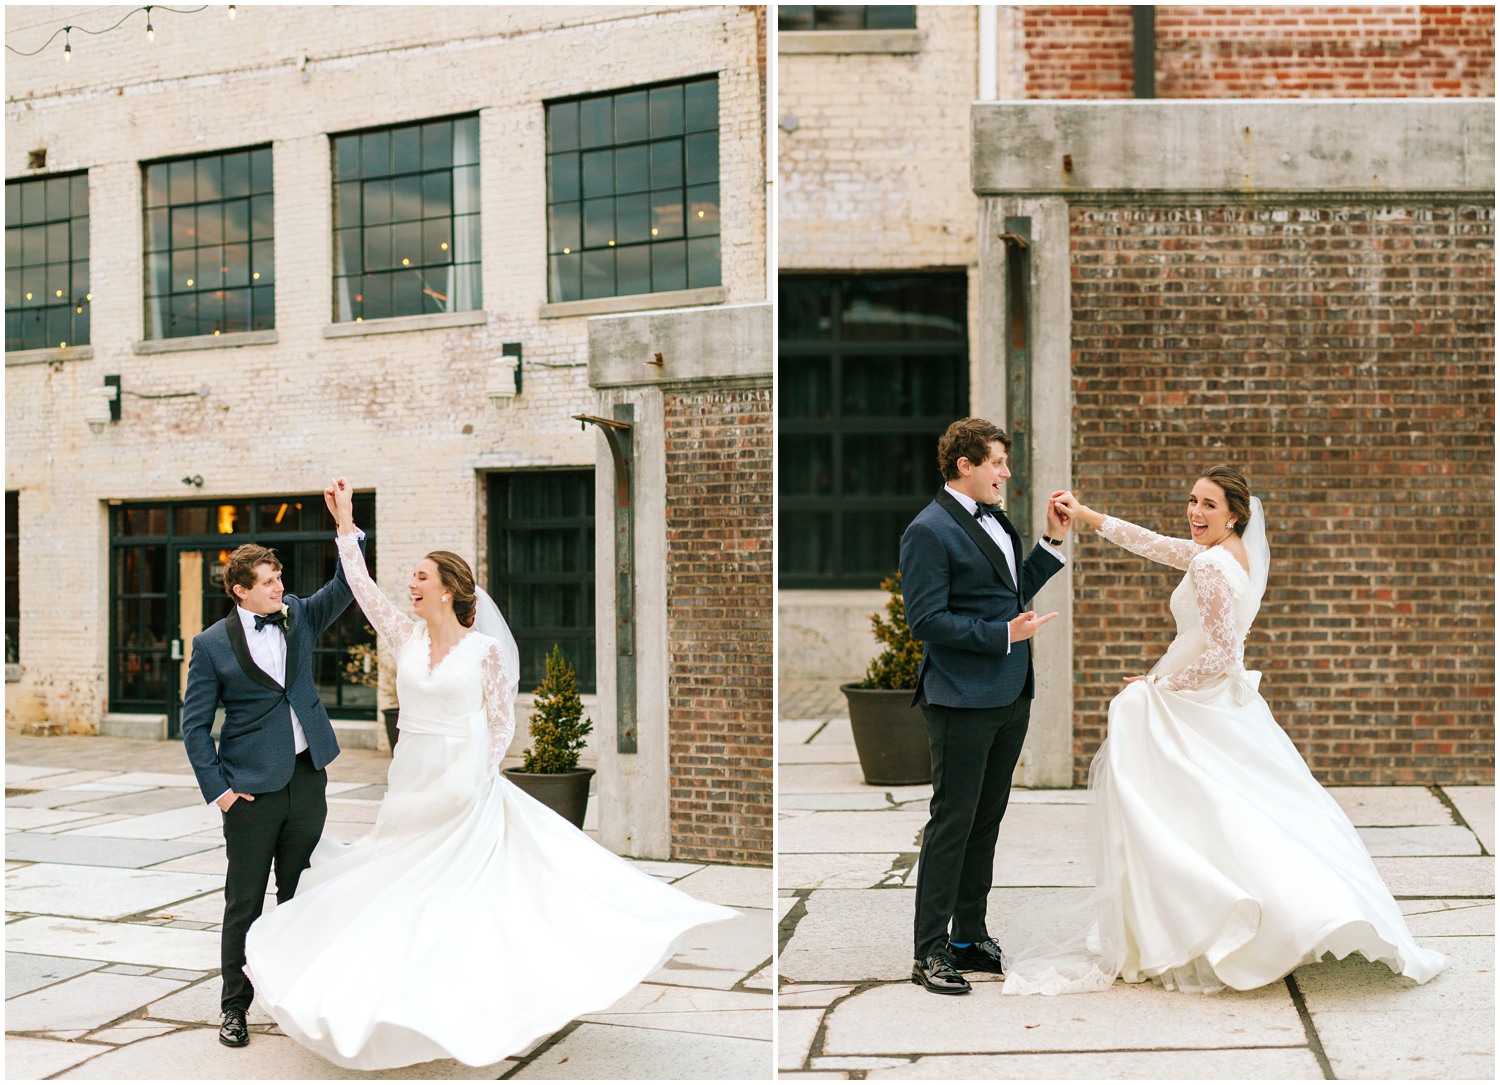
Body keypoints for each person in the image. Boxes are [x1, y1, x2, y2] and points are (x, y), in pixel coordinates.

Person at [242, 478, 735, 1070]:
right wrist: (345, 523)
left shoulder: (485, 653)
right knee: (401, 891)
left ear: (448, 590)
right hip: (412, 782)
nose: (411, 584)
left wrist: (477, 778)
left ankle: (470, 1003)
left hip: (463, 783)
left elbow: (501, 724)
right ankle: (401, 998)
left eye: (422, 577)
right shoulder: (406, 635)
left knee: (463, 902)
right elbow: (362, 587)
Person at [1002, 467, 1447, 995]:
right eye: (1192, 500)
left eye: (1208, 505)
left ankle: (1195, 922)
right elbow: (1154, 544)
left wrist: (1159, 684)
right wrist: (1088, 516)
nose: (1195, 512)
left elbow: (1222, 653)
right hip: (1224, 700)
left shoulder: (1211, 565)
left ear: (1234, 515)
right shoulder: (1237, 555)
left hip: (1198, 697)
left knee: (1184, 807)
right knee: (1238, 811)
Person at [899, 418, 1072, 995]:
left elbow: (1009, 594)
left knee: (986, 821)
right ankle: (929, 953)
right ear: (964, 465)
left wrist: (1050, 541)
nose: (1005, 472)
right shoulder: (927, 530)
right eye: (996, 461)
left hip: (1009, 693)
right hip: (959, 698)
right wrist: (1003, 635)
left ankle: (969, 935)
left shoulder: (996, 519)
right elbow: (924, 620)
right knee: (953, 822)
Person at [180, 532, 362, 1048]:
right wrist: (221, 791)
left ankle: (300, 999)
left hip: (308, 778)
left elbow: (346, 584)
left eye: (278, 577)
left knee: (301, 892)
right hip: (250, 792)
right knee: (244, 900)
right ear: (240, 591)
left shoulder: (299, 614)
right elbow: (194, 726)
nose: (279, 587)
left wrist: (347, 526)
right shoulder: (212, 645)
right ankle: (234, 1006)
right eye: (267, 582)